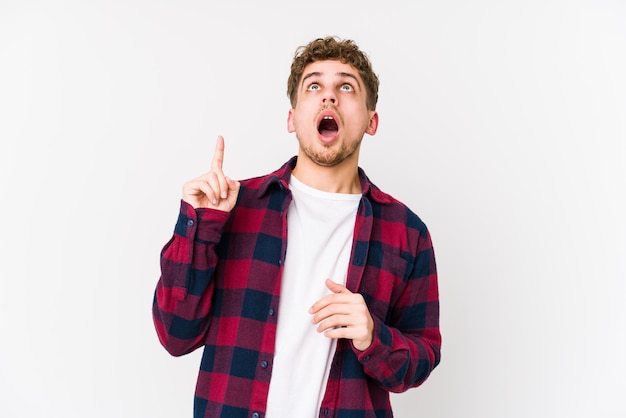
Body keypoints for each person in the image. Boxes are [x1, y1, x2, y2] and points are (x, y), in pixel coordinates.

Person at [152, 36, 441, 418]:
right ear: (292, 118)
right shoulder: (234, 207)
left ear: (371, 121)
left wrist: (373, 335)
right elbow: (175, 334)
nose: (330, 97)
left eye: (346, 86)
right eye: (315, 85)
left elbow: (422, 358)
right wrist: (199, 226)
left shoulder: (407, 233)